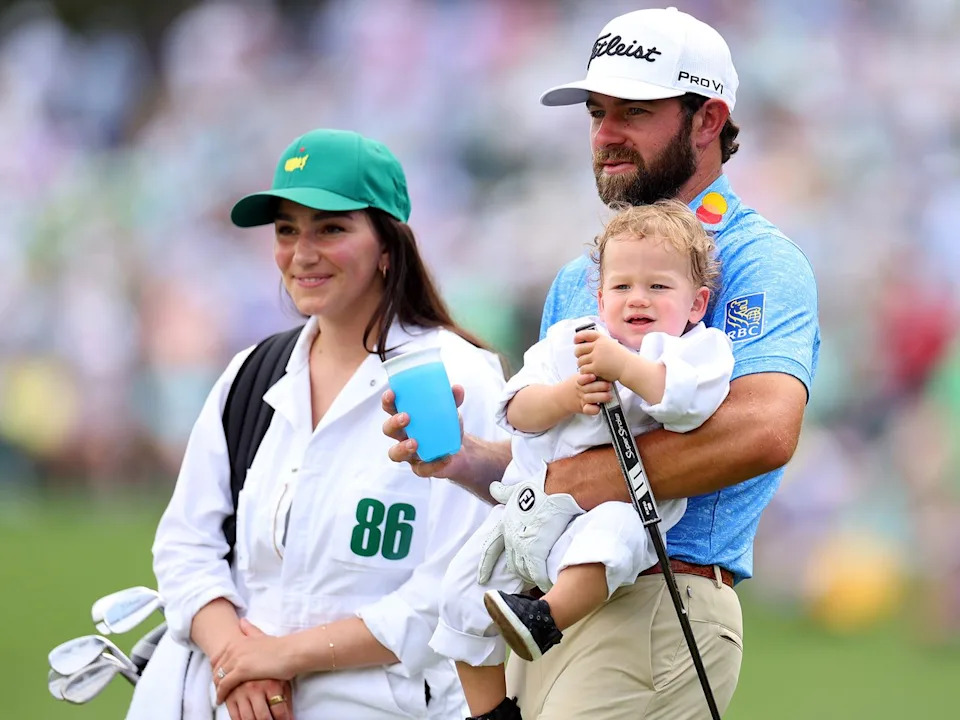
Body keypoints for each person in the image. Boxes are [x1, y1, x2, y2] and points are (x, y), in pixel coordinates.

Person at [383, 7, 820, 719]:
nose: (605, 135)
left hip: (656, 600)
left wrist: (568, 479)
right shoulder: (579, 276)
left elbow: (764, 430)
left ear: (707, 122)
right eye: (597, 112)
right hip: (550, 603)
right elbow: (556, 463)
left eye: (633, 112)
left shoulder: (756, 258)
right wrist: (468, 460)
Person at [138, 128, 507, 720]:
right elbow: (185, 545)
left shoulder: (458, 377)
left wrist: (281, 658)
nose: (302, 253)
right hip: (232, 698)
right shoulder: (250, 375)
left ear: (389, 245)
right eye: (287, 230)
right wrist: (238, 658)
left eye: (330, 228)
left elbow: (456, 590)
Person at [431, 201, 734, 719]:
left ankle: (544, 617)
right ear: (599, 296)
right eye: (622, 287)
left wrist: (624, 366)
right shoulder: (569, 341)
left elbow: (687, 405)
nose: (637, 298)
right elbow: (518, 409)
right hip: (526, 509)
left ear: (696, 303)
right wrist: (566, 397)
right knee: (461, 593)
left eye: (658, 287)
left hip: (610, 512)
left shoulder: (697, 351)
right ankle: (488, 713)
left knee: (613, 536)